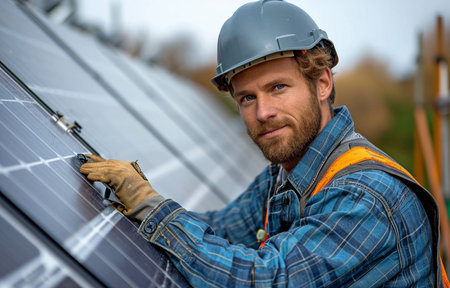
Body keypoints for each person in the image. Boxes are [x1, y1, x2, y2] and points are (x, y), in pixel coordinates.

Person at [80, 0, 447, 286]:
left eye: (278, 88)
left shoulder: (365, 197)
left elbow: (268, 279)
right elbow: (220, 228)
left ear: (322, 83)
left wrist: (155, 210)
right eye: (247, 98)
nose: (263, 112)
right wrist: (137, 209)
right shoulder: (285, 176)